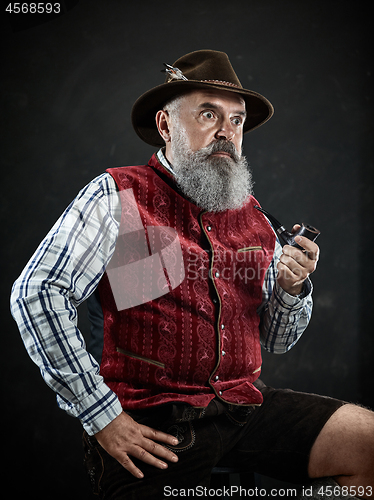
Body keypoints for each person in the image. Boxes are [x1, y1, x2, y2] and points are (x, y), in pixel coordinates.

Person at [11, 50, 374, 499]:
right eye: (208, 114)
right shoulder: (117, 195)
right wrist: (101, 415)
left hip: (241, 409)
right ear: (165, 126)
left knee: (369, 444)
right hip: (151, 426)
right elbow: (37, 293)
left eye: (237, 120)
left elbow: (278, 340)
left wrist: (290, 289)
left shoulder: (257, 219)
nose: (226, 131)